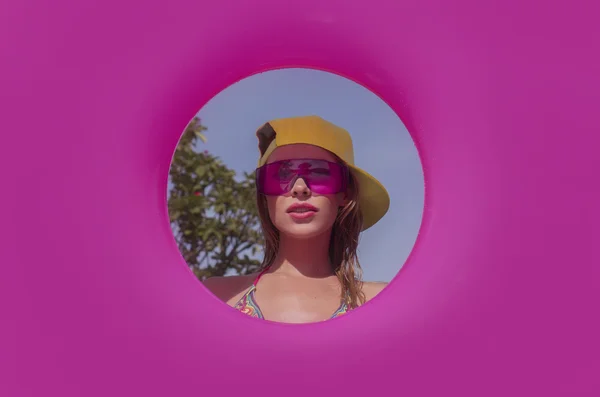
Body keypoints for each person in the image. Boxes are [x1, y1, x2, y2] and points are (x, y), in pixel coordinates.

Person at [203, 115, 391, 323]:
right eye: (280, 175)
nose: (299, 188)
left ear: (345, 193)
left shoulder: (382, 301)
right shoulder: (216, 296)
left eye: (319, 173)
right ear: (265, 197)